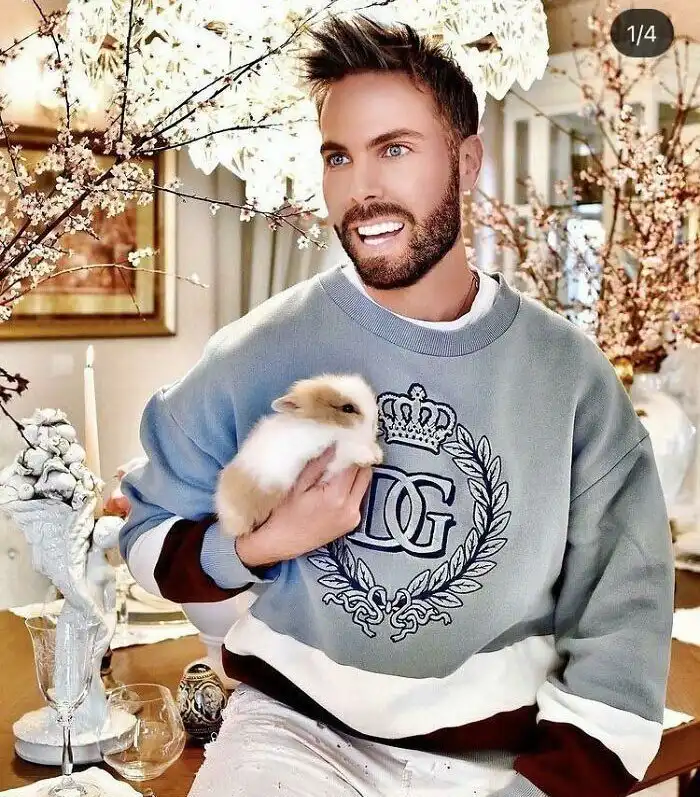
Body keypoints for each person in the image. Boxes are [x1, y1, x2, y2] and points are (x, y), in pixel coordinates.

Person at [119, 15, 674, 797]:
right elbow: (146, 528)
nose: (362, 189)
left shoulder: (569, 377)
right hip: (289, 734)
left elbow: (623, 624)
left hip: (493, 763)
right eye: (339, 156)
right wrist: (262, 545)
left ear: (467, 161)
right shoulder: (258, 350)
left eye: (395, 149)